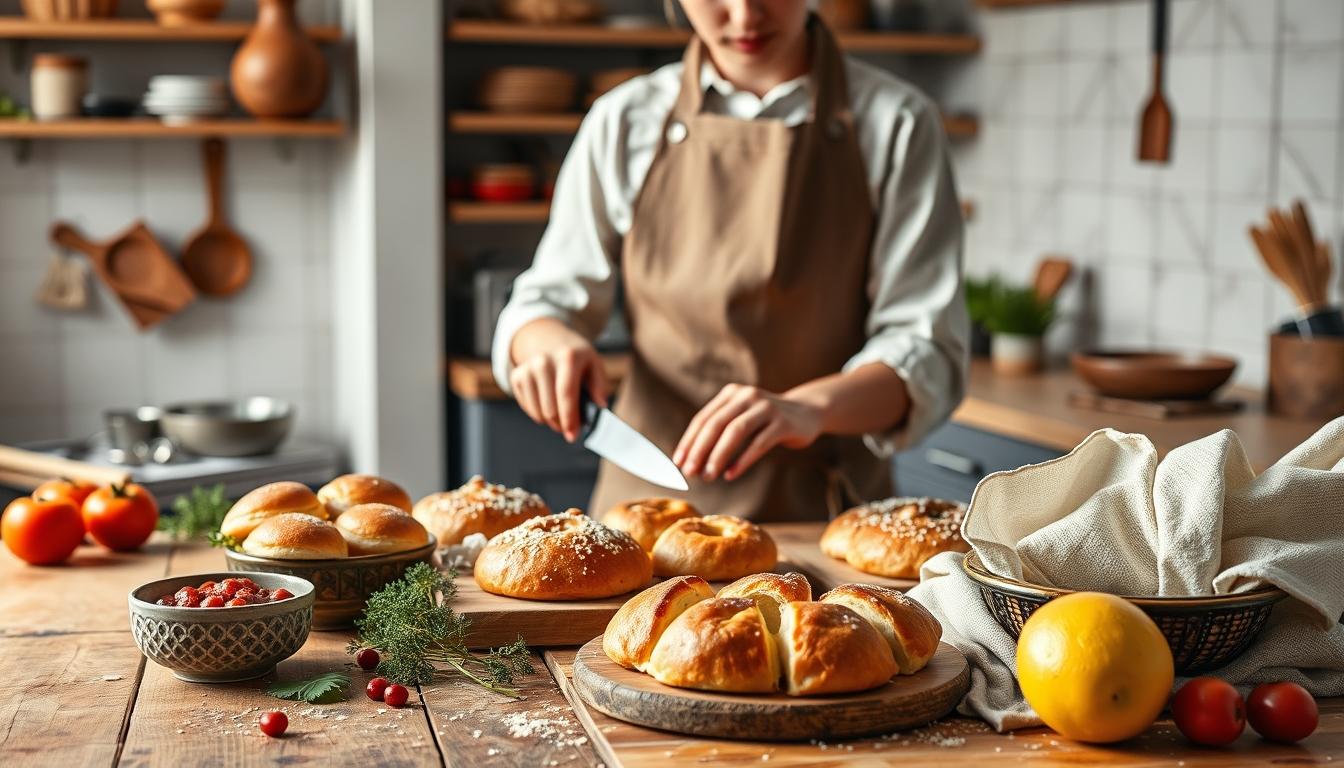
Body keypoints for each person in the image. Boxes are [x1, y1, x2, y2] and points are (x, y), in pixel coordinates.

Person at [492, 0, 968, 522]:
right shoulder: (624, 120)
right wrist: (546, 342)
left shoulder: (897, 123)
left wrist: (809, 409)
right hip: (646, 512)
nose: (744, 16)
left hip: (824, 516)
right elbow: (547, 299)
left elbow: (927, 352)